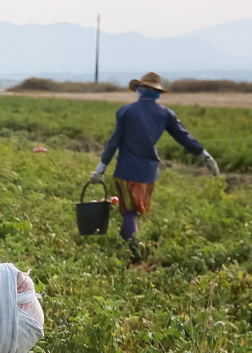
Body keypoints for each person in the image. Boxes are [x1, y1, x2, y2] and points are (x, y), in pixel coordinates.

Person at [90, 71, 218, 260]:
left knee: (129, 210)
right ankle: (122, 245)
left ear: (140, 89)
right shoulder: (165, 113)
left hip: (126, 169)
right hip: (149, 172)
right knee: (134, 209)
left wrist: (100, 169)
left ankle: (134, 252)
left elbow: (113, 143)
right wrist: (204, 155)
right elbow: (184, 136)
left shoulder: (126, 111)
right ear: (156, 93)